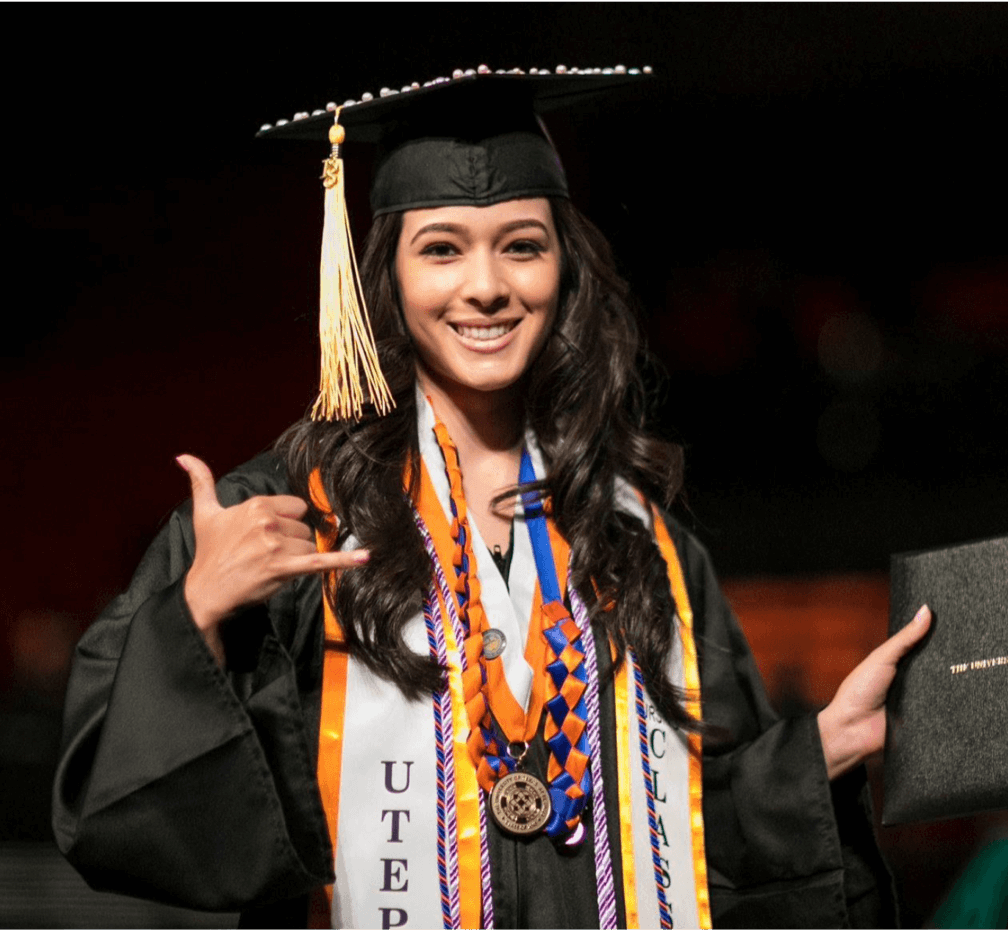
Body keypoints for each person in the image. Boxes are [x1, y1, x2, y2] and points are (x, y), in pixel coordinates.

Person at [52, 67, 930, 929]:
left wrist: (820, 751)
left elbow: (701, 838)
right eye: (441, 247)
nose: (486, 286)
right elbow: (117, 807)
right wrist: (195, 612)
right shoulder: (289, 517)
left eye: (522, 244)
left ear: (565, 270)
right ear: (384, 278)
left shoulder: (641, 542)